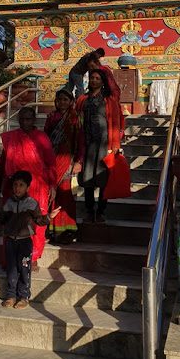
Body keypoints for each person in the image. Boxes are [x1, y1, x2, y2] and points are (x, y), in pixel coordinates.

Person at [0, 170, 60, 309]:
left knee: (24, 268)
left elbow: (39, 221)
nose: (17, 188)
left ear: (28, 187)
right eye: (15, 184)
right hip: (10, 242)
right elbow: (1, 218)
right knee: (11, 269)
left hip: (25, 242)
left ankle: (24, 296)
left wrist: (49, 216)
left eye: (21, 185)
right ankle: (10, 295)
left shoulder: (32, 203)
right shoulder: (9, 202)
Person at [0, 107, 57, 271]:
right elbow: (2, 163)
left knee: (35, 223)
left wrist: (52, 185)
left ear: (34, 120)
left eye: (28, 119)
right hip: (14, 187)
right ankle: (10, 258)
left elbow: (51, 164)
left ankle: (32, 257)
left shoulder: (42, 138)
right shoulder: (12, 138)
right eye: (22, 119)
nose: (25, 123)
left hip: (37, 186)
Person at [76, 69, 122, 223]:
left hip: (104, 144)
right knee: (87, 179)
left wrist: (115, 144)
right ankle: (89, 211)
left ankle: (101, 211)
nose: (94, 80)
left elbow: (115, 123)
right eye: (92, 78)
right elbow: (76, 119)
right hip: (88, 144)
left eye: (97, 78)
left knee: (104, 179)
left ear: (103, 82)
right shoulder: (83, 99)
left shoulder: (109, 100)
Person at [44, 88, 84, 244]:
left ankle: (68, 230)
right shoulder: (51, 117)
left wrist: (78, 161)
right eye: (59, 99)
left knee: (66, 195)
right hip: (52, 160)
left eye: (65, 100)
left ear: (71, 102)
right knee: (52, 195)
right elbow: (45, 138)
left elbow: (81, 141)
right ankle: (51, 229)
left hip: (68, 161)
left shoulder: (76, 118)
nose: (62, 103)